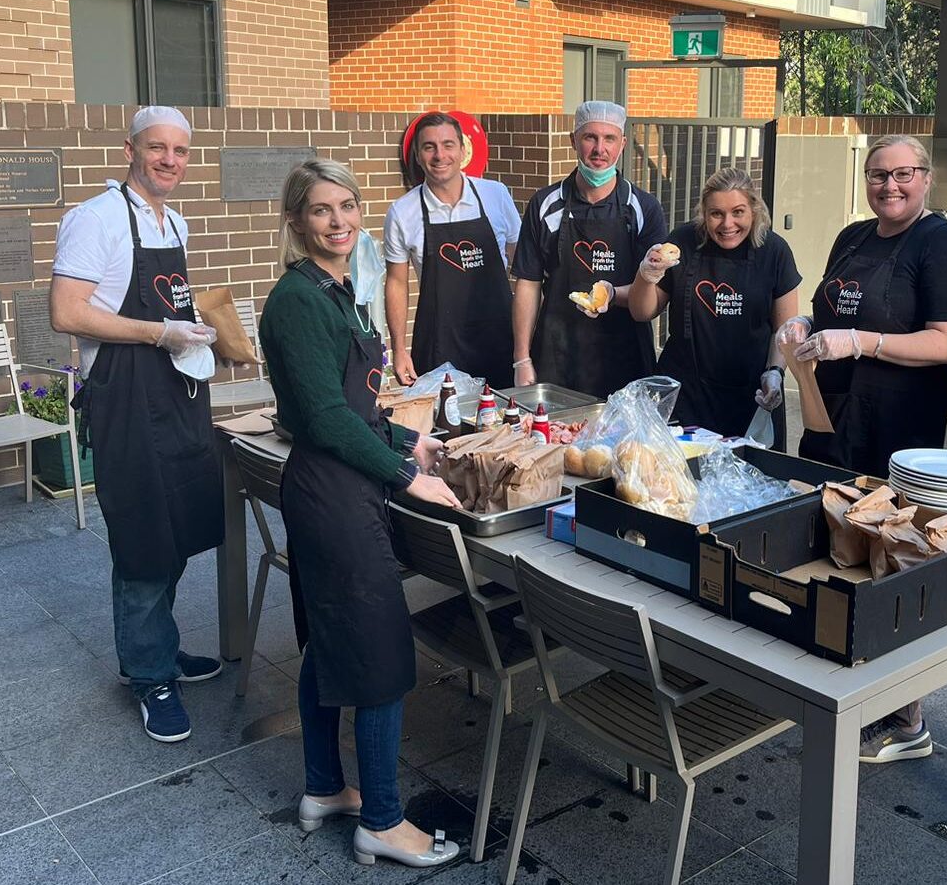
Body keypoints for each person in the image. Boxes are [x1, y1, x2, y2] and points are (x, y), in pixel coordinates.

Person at [259, 158, 464, 869]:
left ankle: (324, 787)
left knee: (329, 641)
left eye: (347, 206)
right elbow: (318, 417)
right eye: (321, 210)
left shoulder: (338, 288)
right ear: (296, 221)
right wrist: (407, 475)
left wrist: (415, 439)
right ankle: (381, 818)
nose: (340, 221)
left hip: (342, 485)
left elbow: (357, 406)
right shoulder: (297, 300)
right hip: (332, 493)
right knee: (379, 654)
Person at [778, 135, 947, 764]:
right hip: (833, 416)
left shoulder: (945, 244)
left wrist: (860, 343)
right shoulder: (854, 236)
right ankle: (836, 683)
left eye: (902, 175)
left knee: (891, 558)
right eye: (877, 175)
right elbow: (823, 311)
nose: (889, 186)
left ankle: (907, 717)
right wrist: (805, 329)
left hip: (900, 425)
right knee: (831, 544)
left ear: (926, 177)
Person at [50, 106, 226, 744]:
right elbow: (66, 312)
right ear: (131, 148)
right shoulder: (94, 219)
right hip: (124, 400)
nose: (170, 160)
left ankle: (157, 647)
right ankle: (149, 676)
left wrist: (198, 333)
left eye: (180, 150)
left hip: (177, 392)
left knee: (177, 527)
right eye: (158, 148)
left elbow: (168, 303)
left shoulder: (172, 220)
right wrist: (161, 331)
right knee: (143, 533)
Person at [627, 166, 799, 444]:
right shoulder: (683, 242)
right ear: (704, 214)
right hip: (687, 398)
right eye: (716, 214)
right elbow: (642, 311)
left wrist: (775, 373)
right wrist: (646, 275)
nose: (727, 224)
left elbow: (785, 331)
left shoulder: (775, 251)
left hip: (752, 397)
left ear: (754, 210)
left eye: (738, 212)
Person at [511, 100, 666, 398]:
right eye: (590, 137)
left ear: (622, 144)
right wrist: (522, 358)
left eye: (609, 139)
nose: (599, 149)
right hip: (558, 355)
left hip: (626, 358)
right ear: (573, 141)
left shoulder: (644, 208)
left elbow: (653, 291)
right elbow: (528, 284)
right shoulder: (544, 204)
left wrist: (610, 293)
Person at [384, 111, 521, 387]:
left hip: (501, 340)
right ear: (418, 154)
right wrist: (398, 350)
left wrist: (527, 346)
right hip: (438, 346)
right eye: (429, 146)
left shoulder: (496, 195)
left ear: (462, 150)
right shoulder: (402, 211)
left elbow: (524, 269)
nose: (439, 155)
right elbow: (397, 283)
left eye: (448, 145)